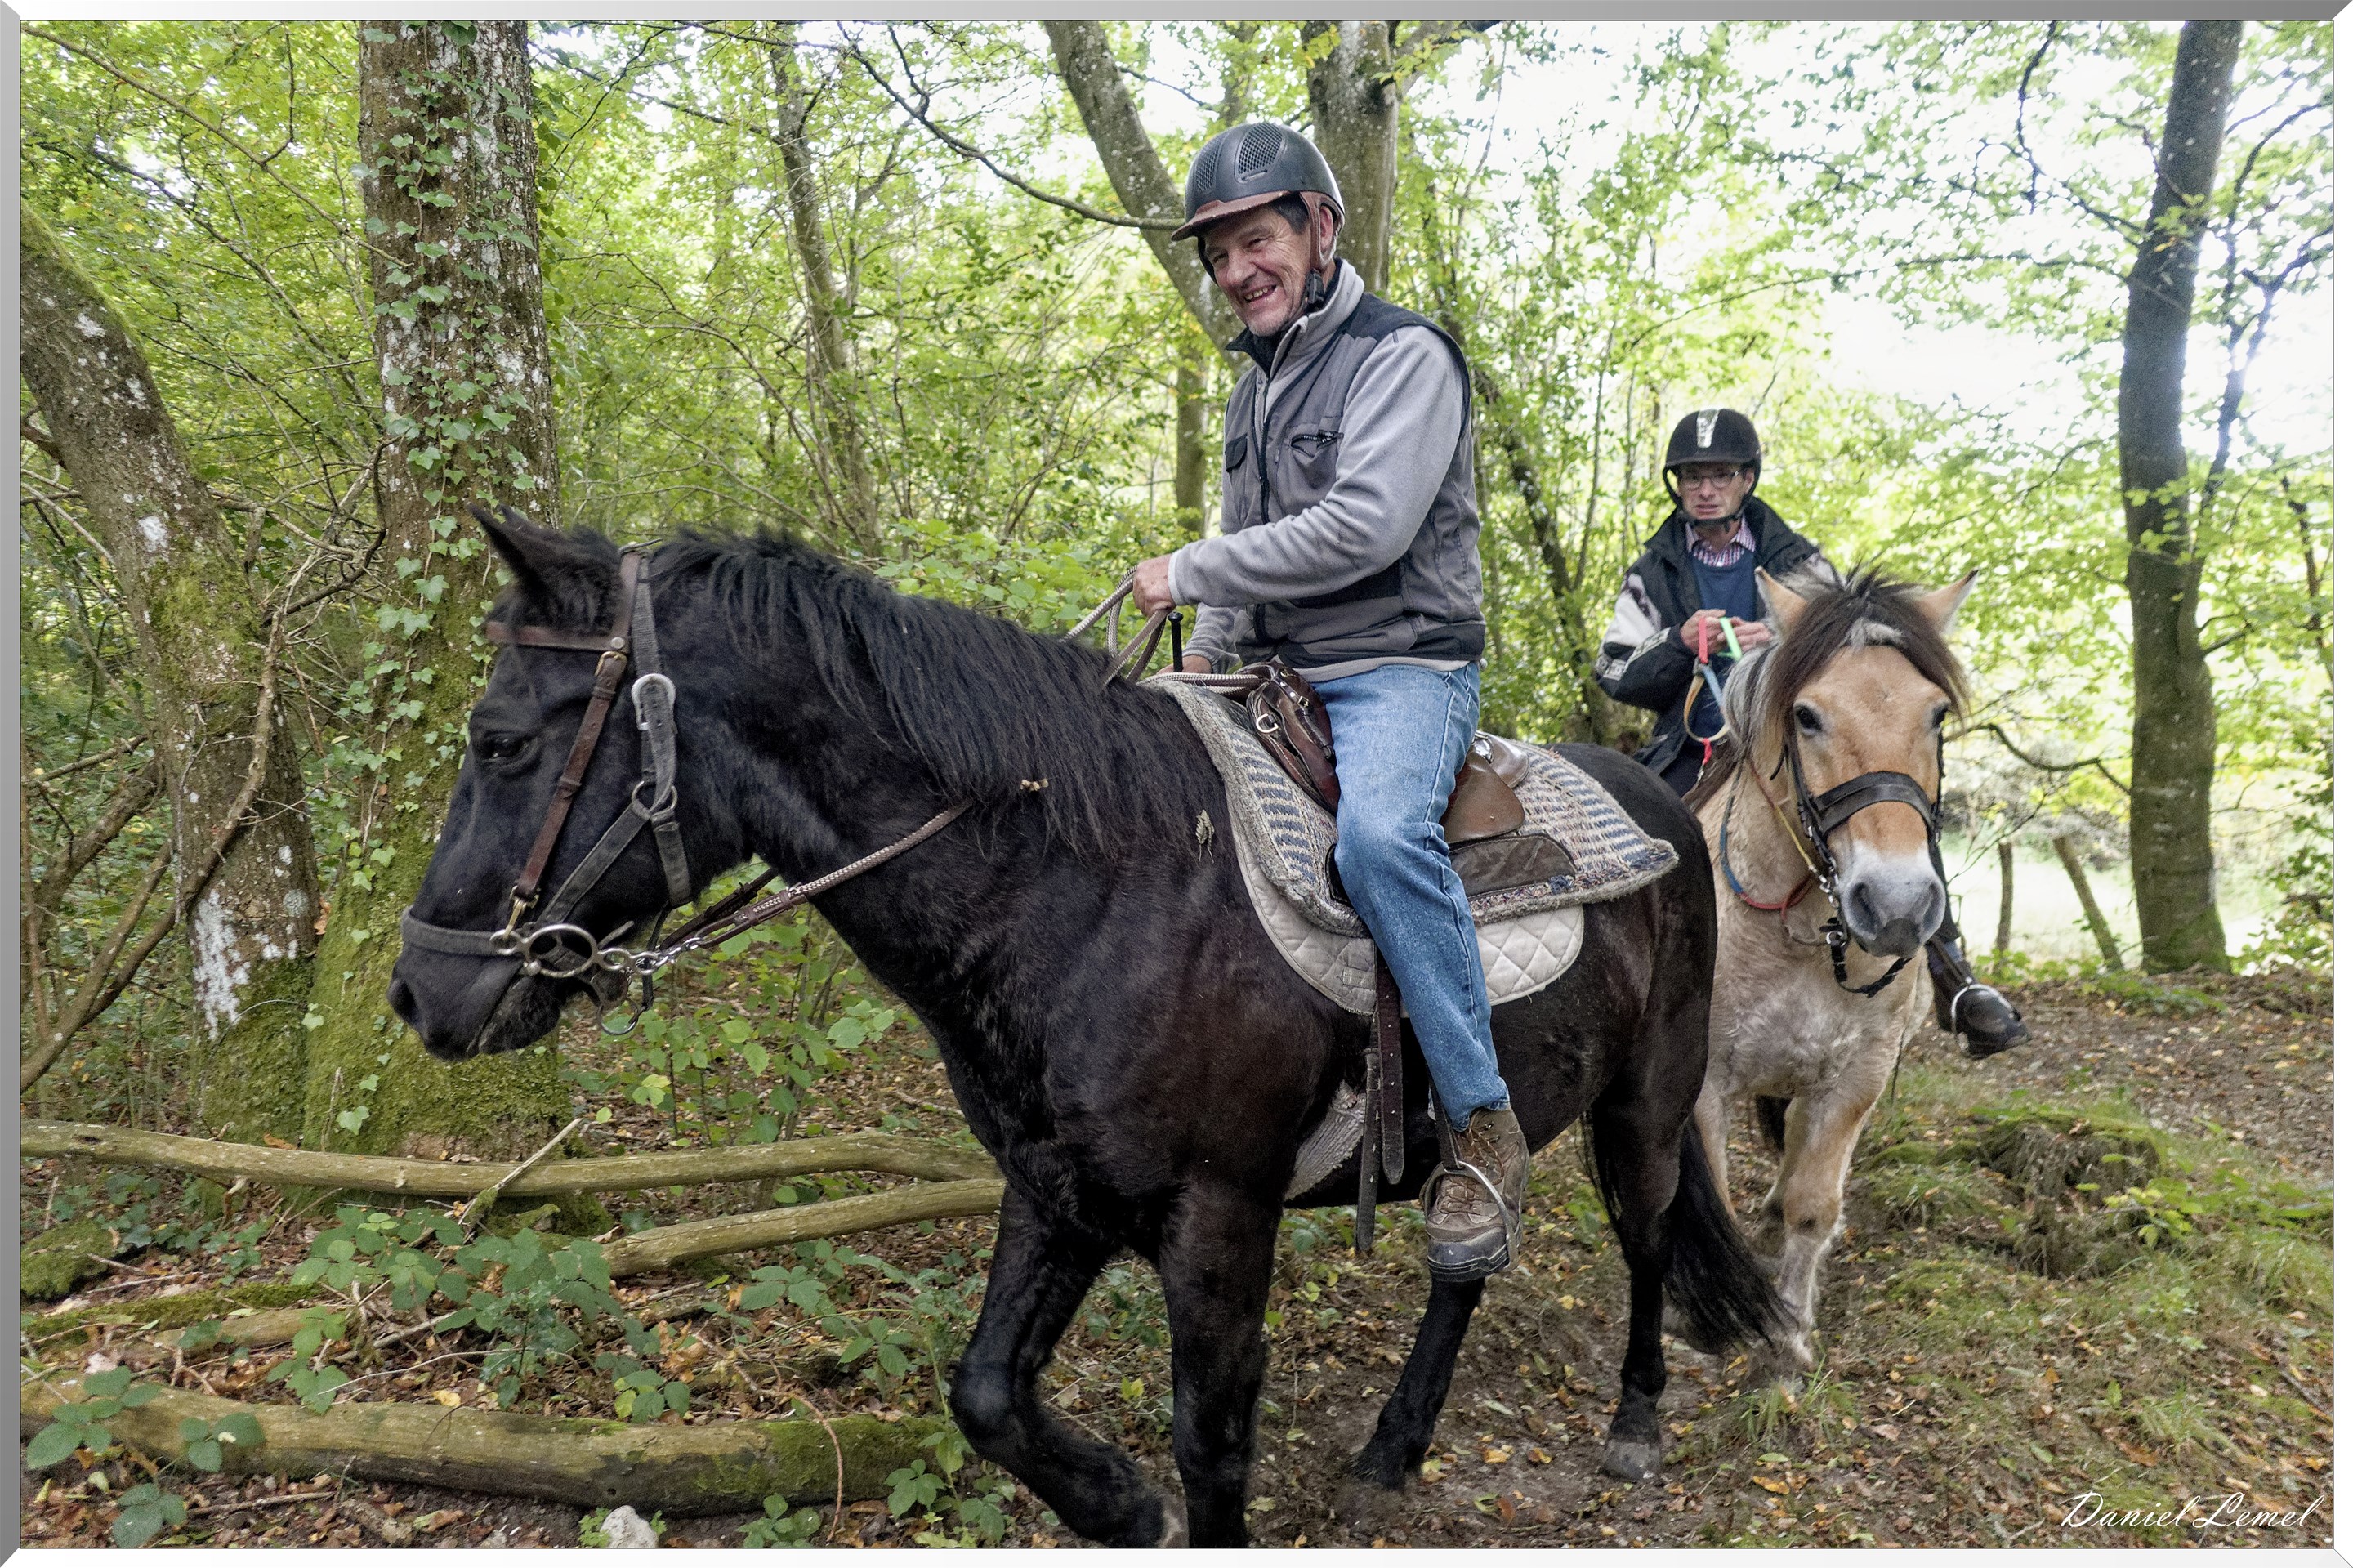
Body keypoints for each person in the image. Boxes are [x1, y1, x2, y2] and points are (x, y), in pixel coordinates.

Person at [1128, 121, 1523, 1282]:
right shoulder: (1253, 397)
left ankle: (1485, 1121)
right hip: (1280, 678)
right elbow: (1248, 566)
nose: (1239, 267)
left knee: (1383, 836)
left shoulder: (1404, 357)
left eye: (1259, 238)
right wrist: (1192, 669)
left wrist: (1188, 569)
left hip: (1402, 667)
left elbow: (1367, 526)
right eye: (1221, 252)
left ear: (1320, 228)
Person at [1596, 409, 2029, 1057]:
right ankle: (1627, 995)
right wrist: (1679, 642)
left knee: (1891, 807)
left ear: (1746, 479)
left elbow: (1850, 651)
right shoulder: (1651, 571)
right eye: (1691, 477)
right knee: (1630, 835)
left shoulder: (1800, 561)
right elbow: (1611, 667)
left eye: (1719, 475)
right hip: (1698, 740)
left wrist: (1781, 638)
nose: (1704, 489)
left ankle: (1954, 978)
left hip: (1796, 743)